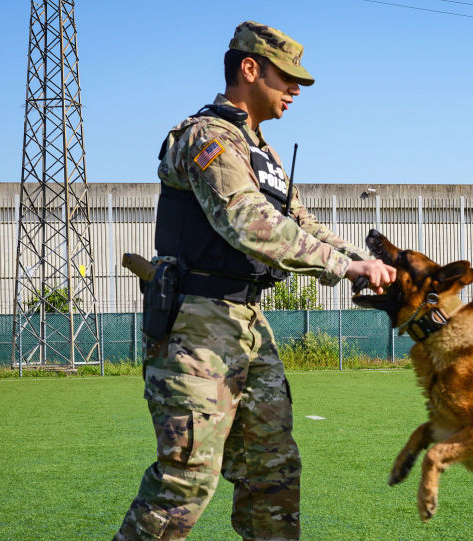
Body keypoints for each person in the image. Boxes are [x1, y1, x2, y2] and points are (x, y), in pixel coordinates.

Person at [115, 21, 396, 541]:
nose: (295, 90)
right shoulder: (207, 137)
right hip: (196, 327)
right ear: (250, 68)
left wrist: (370, 263)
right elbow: (247, 222)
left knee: (273, 473)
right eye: (287, 77)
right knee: (186, 482)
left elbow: (301, 224)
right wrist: (343, 268)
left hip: (247, 325)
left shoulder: (260, 153)